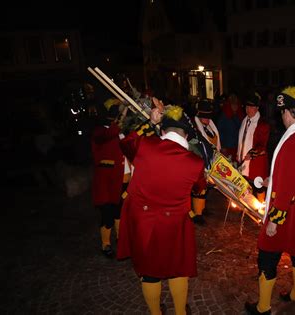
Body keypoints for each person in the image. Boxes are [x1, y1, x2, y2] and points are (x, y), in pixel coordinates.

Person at [117, 105, 206, 315]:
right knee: (177, 269)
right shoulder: (195, 162)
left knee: (149, 273)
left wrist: (149, 122)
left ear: (163, 131)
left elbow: (125, 142)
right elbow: (199, 188)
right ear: (186, 134)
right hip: (175, 224)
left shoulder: (144, 147)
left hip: (144, 223)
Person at [245, 86, 295, 315]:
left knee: (267, 256)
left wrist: (274, 220)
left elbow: (287, 187)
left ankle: (263, 308)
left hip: (285, 210)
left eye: (282, 112)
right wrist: (273, 180)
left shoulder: (294, 142)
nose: (281, 117)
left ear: (288, 112)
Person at [90, 98, 127, 258]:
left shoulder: (120, 132)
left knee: (119, 212)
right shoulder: (99, 132)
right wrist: (122, 113)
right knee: (107, 216)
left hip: (121, 181)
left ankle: (121, 239)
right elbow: (110, 133)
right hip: (106, 184)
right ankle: (106, 245)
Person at [237, 91, 270, 202]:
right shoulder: (244, 120)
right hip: (244, 161)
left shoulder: (262, 124)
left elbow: (262, 144)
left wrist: (251, 154)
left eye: (251, 107)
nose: (248, 109)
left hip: (257, 163)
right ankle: (247, 206)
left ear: (256, 108)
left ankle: (261, 209)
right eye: (246, 107)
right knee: (245, 185)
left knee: (258, 186)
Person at [192, 99, 221, 224]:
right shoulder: (195, 128)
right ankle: (197, 214)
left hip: (210, 161)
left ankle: (202, 208)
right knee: (199, 188)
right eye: (205, 117)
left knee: (207, 187)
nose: (208, 120)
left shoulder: (210, 127)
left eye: (209, 117)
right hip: (199, 161)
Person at [216, 93, 244, 159]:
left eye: (236, 104)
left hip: (237, 146)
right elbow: (219, 132)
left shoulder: (240, 115)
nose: (235, 106)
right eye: (233, 104)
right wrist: (222, 146)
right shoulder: (224, 116)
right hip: (227, 147)